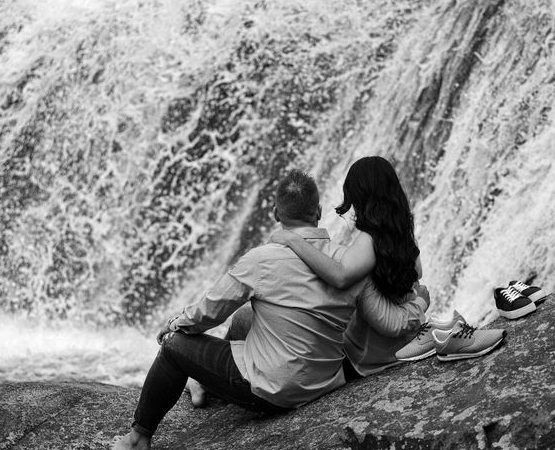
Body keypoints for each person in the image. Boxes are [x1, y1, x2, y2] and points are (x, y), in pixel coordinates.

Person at [113, 170, 372, 450]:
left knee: (175, 345)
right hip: (323, 381)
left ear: (275, 213)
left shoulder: (261, 260)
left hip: (276, 391)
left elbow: (211, 311)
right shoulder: (347, 260)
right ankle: (205, 385)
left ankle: (138, 438)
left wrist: (177, 323)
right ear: (319, 211)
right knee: (244, 318)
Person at [270, 156, 431, 377]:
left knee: (247, 320)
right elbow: (417, 275)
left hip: (361, 359)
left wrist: (292, 240)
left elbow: (340, 276)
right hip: (398, 347)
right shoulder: (401, 232)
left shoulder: (369, 240)